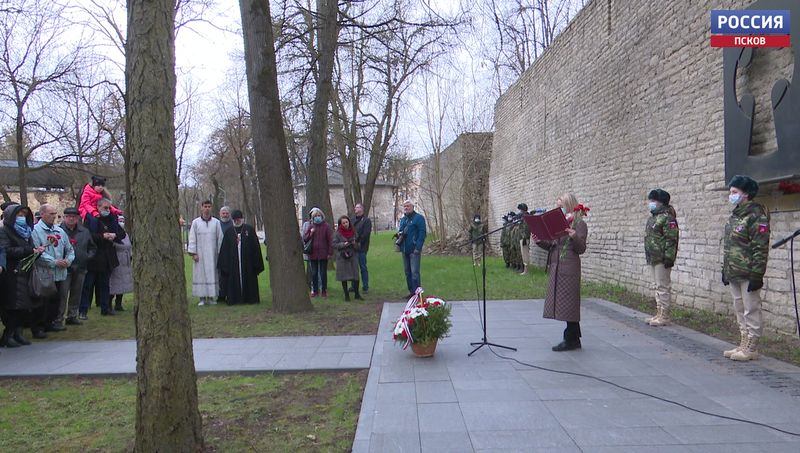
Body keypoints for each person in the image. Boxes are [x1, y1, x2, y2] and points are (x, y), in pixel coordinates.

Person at [722, 175, 770, 361]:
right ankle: (743, 342)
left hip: (749, 271)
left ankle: (752, 347)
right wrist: (725, 269)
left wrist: (757, 274)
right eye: (730, 192)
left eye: (734, 192)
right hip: (734, 270)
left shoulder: (756, 217)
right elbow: (729, 246)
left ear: (746, 194)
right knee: (740, 308)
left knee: (751, 308)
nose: (731, 195)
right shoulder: (735, 216)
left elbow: (760, 247)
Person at [533, 193, 588, 351]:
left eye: (561, 206)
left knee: (569, 305)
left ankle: (570, 339)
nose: (558, 209)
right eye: (557, 206)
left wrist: (574, 236)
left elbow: (581, 248)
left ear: (569, 206)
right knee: (565, 305)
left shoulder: (579, 224)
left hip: (569, 268)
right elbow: (552, 245)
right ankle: (574, 338)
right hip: (557, 267)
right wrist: (539, 241)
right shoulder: (559, 224)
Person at [0, 204, 43, 347]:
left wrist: (36, 252)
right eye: (19, 215)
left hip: (25, 273)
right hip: (11, 274)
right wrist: (29, 250)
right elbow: (7, 251)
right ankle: (8, 335)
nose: (22, 218)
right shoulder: (4, 231)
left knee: (25, 307)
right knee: (13, 307)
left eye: (24, 215)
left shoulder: (26, 232)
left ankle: (18, 333)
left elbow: (28, 250)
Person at [31, 204, 74, 335]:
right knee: (42, 301)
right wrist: (54, 262)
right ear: (42, 214)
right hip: (45, 273)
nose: (54, 216)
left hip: (60, 273)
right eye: (51, 214)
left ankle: (51, 323)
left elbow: (70, 249)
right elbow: (37, 251)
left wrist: (68, 260)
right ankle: (38, 326)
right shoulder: (35, 231)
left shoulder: (59, 231)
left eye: (55, 213)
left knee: (56, 300)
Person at [80, 198, 125, 318]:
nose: (107, 210)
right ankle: (83, 310)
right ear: (98, 207)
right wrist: (102, 236)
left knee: (105, 284)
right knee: (88, 285)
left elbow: (122, 233)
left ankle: (105, 308)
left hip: (107, 257)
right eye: (105, 208)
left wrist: (114, 235)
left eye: (109, 208)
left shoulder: (112, 219)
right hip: (94, 257)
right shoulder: (91, 219)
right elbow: (87, 235)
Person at [644, 189, 679, 327]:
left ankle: (665, 315)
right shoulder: (653, 217)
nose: (650, 203)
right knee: (656, 285)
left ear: (661, 202)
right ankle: (659, 312)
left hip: (662, 257)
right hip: (653, 257)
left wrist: (669, 257)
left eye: (653, 201)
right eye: (650, 200)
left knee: (662, 286)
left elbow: (671, 239)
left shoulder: (667, 218)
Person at [218, 210, 264, 304]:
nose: (237, 221)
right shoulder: (229, 231)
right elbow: (224, 250)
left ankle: (250, 299)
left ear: (242, 219)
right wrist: (224, 266)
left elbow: (255, 248)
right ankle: (235, 299)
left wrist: (256, 264)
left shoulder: (249, 230)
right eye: (235, 220)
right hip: (233, 263)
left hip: (248, 263)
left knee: (248, 279)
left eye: (238, 219)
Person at [61, 207, 96, 325]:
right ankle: (58, 317)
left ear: (78, 218)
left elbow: (92, 247)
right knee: (62, 294)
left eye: (74, 217)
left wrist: (87, 257)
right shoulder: (59, 230)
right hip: (64, 268)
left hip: (80, 267)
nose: (71, 219)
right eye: (69, 216)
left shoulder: (84, 231)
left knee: (77, 293)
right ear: (64, 217)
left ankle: (72, 315)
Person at [187, 200, 224, 306]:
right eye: (205, 206)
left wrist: (219, 253)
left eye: (209, 206)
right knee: (200, 275)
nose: (207, 208)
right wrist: (193, 253)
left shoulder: (216, 222)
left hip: (213, 255)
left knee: (213, 274)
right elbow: (192, 238)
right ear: (201, 208)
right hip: (200, 255)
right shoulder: (196, 222)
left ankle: (212, 297)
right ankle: (202, 298)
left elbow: (220, 239)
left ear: (211, 208)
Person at [397, 200, 427, 299]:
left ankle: (417, 293)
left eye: (408, 206)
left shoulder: (419, 218)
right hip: (405, 249)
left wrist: (418, 247)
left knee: (415, 272)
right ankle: (411, 292)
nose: (406, 208)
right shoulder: (403, 219)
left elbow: (422, 234)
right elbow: (400, 231)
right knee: (407, 272)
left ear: (412, 207)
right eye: (405, 206)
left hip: (414, 249)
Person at [303, 207, 332, 297]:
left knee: (323, 273)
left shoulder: (326, 226)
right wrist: (311, 233)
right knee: (314, 273)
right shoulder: (311, 226)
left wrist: (330, 253)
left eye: (319, 216)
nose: (317, 217)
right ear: (313, 218)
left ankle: (323, 290)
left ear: (322, 216)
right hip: (313, 253)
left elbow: (330, 240)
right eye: (315, 216)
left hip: (323, 253)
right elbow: (305, 238)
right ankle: (315, 291)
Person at [333, 215, 362, 301]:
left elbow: (358, 243)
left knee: (356, 275)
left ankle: (357, 294)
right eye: (343, 223)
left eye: (346, 222)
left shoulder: (353, 231)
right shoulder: (337, 233)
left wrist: (354, 244)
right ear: (340, 224)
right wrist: (343, 244)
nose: (345, 224)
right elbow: (334, 244)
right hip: (342, 256)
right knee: (344, 276)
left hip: (353, 255)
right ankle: (346, 295)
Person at [109, 216, 133, 312]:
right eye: (120, 221)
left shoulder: (125, 234)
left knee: (123, 283)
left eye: (123, 221)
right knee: (113, 283)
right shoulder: (113, 234)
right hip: (116, 260)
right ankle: (108, 304)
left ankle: (118, 304)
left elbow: (128, 245)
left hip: (125, 261)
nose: (122, 222)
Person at [352, 203, 372, 294]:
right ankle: (354, 285)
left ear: (362, 209)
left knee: (363, 267)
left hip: (362, 247)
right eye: (355, 207)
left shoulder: (366, 221)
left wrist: (358, 241)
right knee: (353, 267)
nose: (356, 209)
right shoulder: (352, 220)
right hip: (352, 247)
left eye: (358, 207)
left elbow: (366, 234)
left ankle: (365, 286)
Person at [517, 203, 531, 275]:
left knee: (525, 254)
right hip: (522, 237)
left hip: (524, 238)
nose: (520, 212)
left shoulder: (526, 218)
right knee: (523, 254)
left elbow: (526, 229)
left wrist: (524, 238)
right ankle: (525, 270)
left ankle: (526, 270)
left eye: (520, 210)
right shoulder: (523, 218)